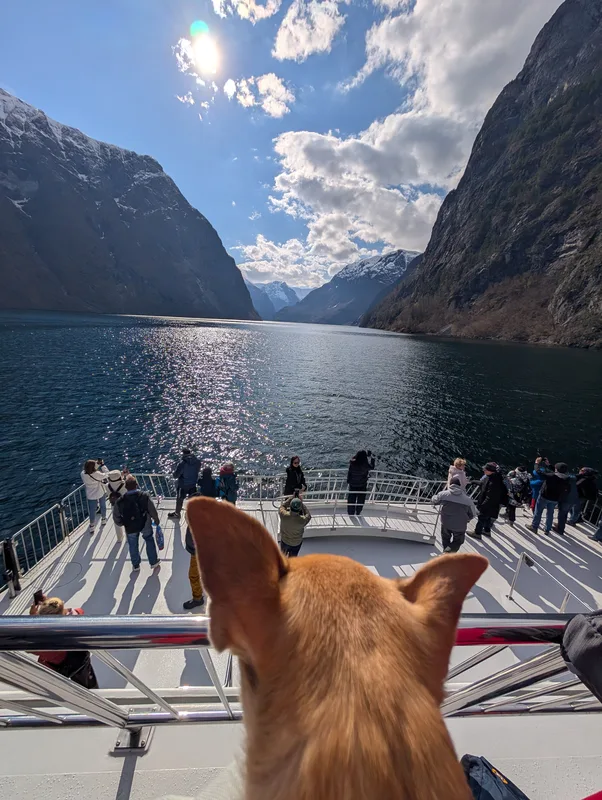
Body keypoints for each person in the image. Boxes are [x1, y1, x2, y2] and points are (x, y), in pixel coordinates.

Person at [30, 597, 98, 689]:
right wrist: (52, 604)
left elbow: (29, 648)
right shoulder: (74, 618)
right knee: (89, 684)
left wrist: (32, 617)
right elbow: (79, 611)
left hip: (59, 671)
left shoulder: (46, 643)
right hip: (80, 661)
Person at [113, 475, 161, 571]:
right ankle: (153, 562)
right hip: (145, 522)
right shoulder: (145, 495)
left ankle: (135, 565)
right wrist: (156, 519)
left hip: (129, 525)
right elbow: (152, 509)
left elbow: (116, 517)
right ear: (137, 485)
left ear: (125, 487)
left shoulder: (120, 501)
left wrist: (122, 523)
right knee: (149, 540)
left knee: (133, 544)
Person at [431, 477, 477, 553]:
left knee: (445, 539)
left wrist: (433, 497)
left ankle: (445, 552)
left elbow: (435, 501)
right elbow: (473, 514)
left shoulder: (443, 494)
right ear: (459, 486)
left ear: (450, 485)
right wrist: (467, 519)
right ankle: (449, 553)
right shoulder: (468, 500)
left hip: (446, 522)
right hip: (460, 525)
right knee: (458, 541)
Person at [528, 462, 571, 535]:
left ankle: (534, 527)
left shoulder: (551, 476)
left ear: (556, 469)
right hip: (555, 499)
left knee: (538, 512)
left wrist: (536, 464)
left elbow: (539, 473)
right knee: (550, 513)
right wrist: (549, 465)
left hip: (544, 496)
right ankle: (547, 529)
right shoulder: (567, 478)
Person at [468, 462, 508, 540]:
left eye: (485, 469)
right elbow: (483, 483)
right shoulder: (494, 477)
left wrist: (482, 506)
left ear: (491, 471)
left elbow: (490, 496)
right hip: (494, 505)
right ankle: (487, 531)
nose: (483, 470)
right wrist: (474, 482)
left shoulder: (494, 482)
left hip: (488, 504)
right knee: (488, 518)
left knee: (481, 518)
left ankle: (477, 533)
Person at [169, 448, 201, 520]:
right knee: (193, 500)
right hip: (193, 484)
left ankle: (177, 514)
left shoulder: (182, 464)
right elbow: (197, 470)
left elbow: (176, 475)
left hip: (183, 485)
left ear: (183, 454)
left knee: (180, 500)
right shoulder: (197, 461)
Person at [81, 459, 109, 535]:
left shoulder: (83, 474)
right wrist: (102, 465)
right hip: (100, 491)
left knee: (92, 510)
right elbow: (107, 474)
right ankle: (103, 519)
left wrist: (97, 464)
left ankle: (92, 526)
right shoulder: (97, 474)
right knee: (103, 505)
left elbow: (90, 469)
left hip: (90, 494)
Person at [347, 450, 375, 516]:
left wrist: (348, 480)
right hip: (362, 484)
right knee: (361, 499)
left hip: (352, 484)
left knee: (351, 499)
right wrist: (371, 457)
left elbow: (349, 472)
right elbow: (372, 467)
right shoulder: (365, 465)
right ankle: (358, 512)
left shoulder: (352, 463)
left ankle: (351, 512)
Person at [554, 469, 579, 535]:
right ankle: (561, 525)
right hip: (573, 500)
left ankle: (560, 529)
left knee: (561, 515)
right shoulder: (573, 481)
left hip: (566, 500)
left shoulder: (566, 482)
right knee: (565, 514)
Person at [107, 469, 127, 542]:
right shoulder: (124, 484)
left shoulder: (107, 486)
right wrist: (125, 475)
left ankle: (119, 538)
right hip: (125, 505)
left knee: (116, 522)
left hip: (114, 506)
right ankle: (128, 538)